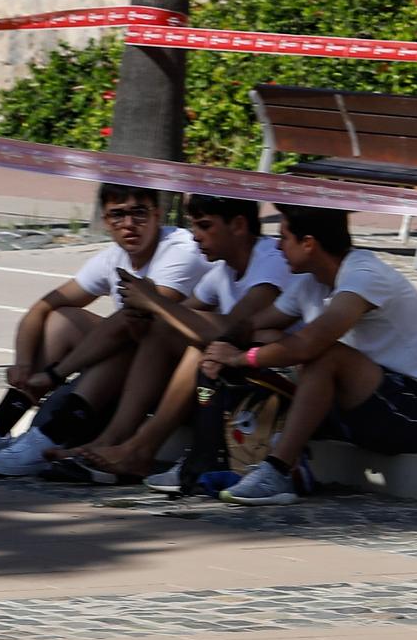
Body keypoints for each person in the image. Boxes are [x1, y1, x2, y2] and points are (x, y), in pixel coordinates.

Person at [0, 184, 208, 476]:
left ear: (157, 214)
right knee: (62, 318)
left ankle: (47, 439)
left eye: (139, 214)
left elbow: (137, 316)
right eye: (118, 215)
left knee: (130, 331)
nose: (129, 225)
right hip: (142, 359)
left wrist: (54, 374)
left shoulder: (180, 250)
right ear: (105, 221)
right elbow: (41, 308)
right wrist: (23, 364)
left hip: (173, 365)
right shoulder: (113, 258)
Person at [202, 204, 417, 505]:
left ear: (308, 243)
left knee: (323, 355)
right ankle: (213, 454)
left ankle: (279, 471)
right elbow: (254, 327)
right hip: (365, 405)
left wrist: (237, 358)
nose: (277, 244)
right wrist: (224, 345)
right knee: (269, 340)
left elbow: (309, 344)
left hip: (416, 412)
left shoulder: (364, 275)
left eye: (284, 236)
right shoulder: (308, 281)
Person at [55, 194, 292, 487]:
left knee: (199, 344)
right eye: (193, 226)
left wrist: (153, 301)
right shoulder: (223, 270)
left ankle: (139, 450)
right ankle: (112, 441)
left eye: (205, 226)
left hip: (284, 380)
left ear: (239, 225)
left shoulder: (271, 259)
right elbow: (178, 320)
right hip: (242, 372)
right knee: (161, 330)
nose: (196, 236)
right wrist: (145, 318)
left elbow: (233, 328)